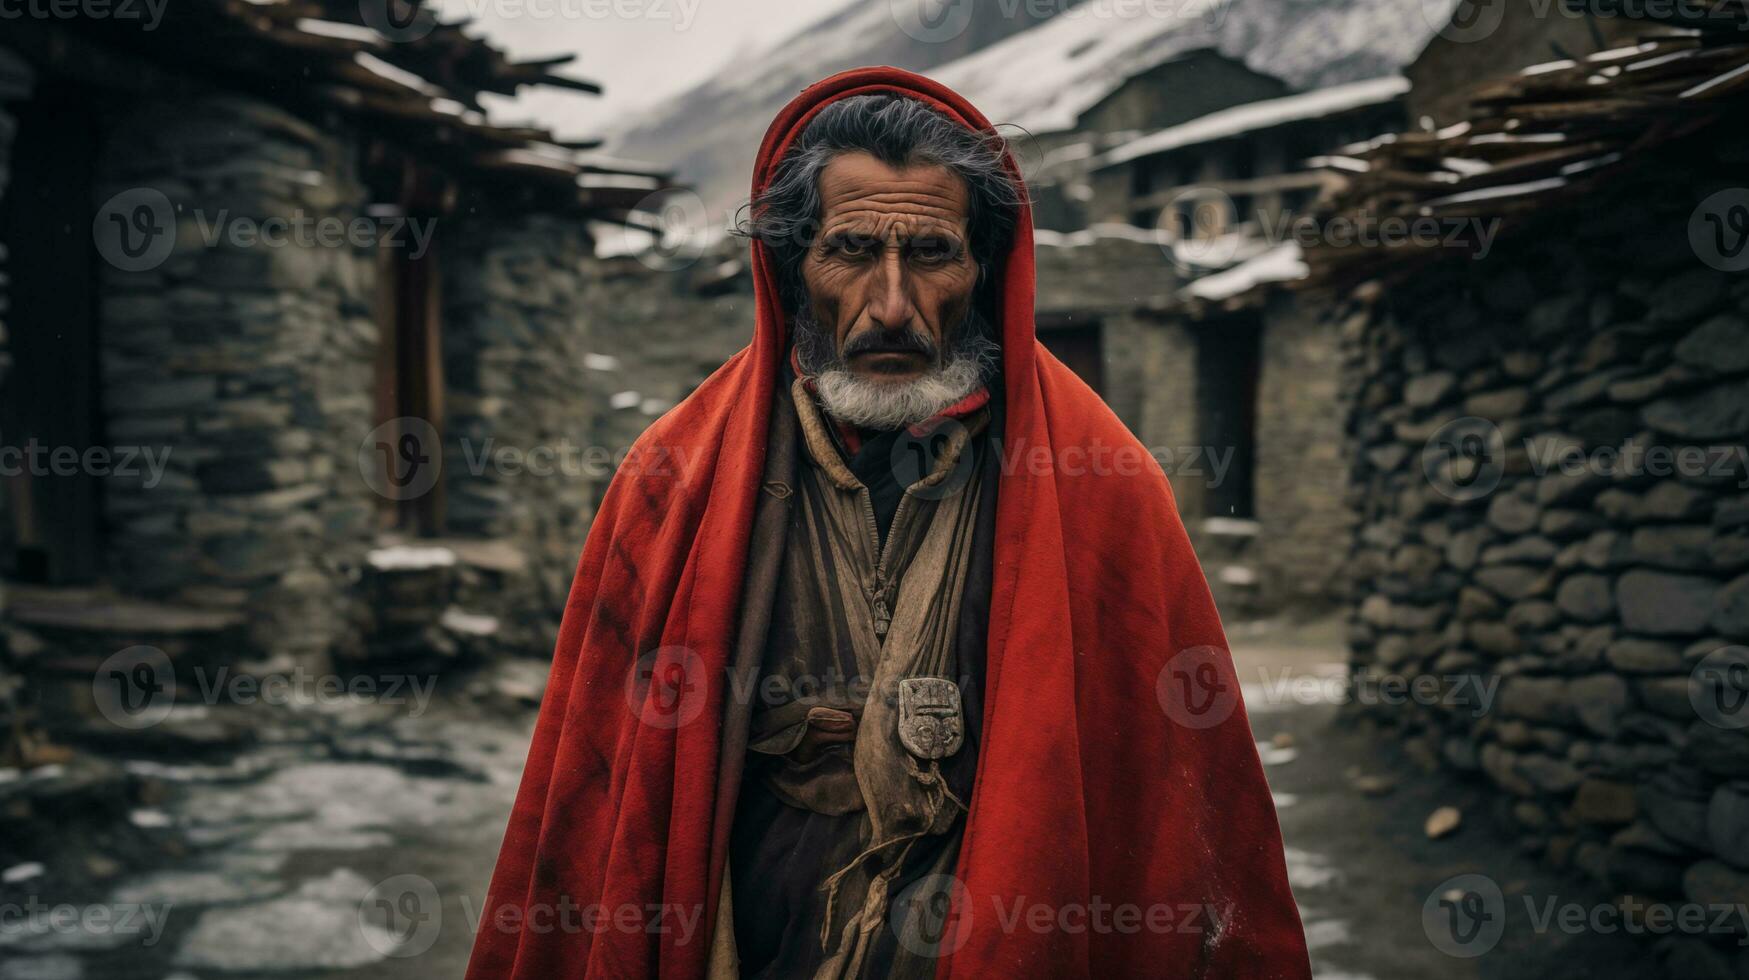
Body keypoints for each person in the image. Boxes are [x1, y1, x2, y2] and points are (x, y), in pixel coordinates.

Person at [467, 66, 1310, 980]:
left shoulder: (1097, 485)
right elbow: (600, 795)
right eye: (852, 250)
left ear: (984, 271)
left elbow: (1170, 814)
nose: (893, 305)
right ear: (791, 266)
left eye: (934, 254)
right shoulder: (675, 480)